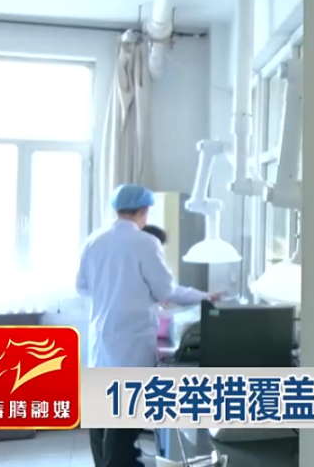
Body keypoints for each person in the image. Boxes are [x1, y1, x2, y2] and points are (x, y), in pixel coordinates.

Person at [76, 184, 221, 467]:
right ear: (144, 211)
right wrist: (205, 296)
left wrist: (113, 293)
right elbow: (166, 290)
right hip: (130, 343)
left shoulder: (94, 240)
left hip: (100, 340)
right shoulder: (145, 242)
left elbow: (81, 286)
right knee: (123, 420)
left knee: (101, 418)